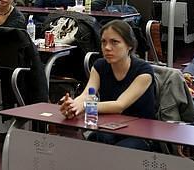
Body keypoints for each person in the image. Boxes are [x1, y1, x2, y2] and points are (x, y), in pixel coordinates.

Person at [60, 20, 155, 150]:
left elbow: (119, 105)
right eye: (104, 42)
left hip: (140, 132)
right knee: (94, 141)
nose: (107, 47)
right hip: (110, 126)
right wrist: (73, 106)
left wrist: (84, 106)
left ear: (129, 46)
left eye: (114, 42)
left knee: (119, 151)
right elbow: (88, 94)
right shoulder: (99, 66)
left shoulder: (144, 71)